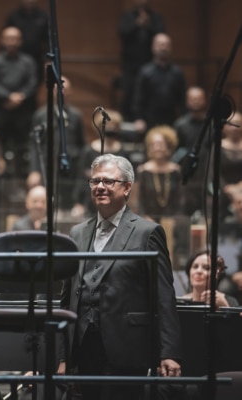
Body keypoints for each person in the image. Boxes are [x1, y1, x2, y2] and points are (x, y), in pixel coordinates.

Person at [59, 154, 182, 400]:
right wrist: (64, 356)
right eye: (95, 181)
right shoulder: (77, 232)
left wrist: (169, 352)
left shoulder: (147, 232)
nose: (100, 187)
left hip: (128, 345)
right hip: (84, 345)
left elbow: (164, 295)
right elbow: (68, 296)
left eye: (108, 181)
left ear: (127, 188)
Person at [27, 75, 85, 209]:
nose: (61, 91)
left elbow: (81, 145)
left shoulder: (76, 116)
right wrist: (34, 170)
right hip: (47, 167)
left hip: (69, 169)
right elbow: (34, 145)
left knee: (67, 204)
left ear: (70, 92)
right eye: (57, 88)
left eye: (64, 89)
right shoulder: (41, 115)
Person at [0, 26, 38, 177]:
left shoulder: (28, 61)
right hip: (2, 110)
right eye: (9, 38)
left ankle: (22, 179)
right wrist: (8, 97)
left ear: (20, 41)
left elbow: (33, 83)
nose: (12, 42)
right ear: (2, 41)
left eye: (15, 39)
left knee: (23, 147)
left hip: (23, 112)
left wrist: (20, 97)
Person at [72, 109, 129, 220]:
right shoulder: (88, 151)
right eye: (108, 125)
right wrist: (78, 203)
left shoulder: (123, 151)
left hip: (116, 200)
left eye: (114, 125)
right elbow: (81, 177)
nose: (111, 128)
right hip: (91, 200)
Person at [118, 0, 166, 121]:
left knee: (151, 96)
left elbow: (161, 35)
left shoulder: (155, 17)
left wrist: (148, 25)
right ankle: (128, 122)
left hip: (151, 66)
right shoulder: (127, 16)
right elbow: (122, 33)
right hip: (130, 66)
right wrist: (137, 24)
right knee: (129, 95)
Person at [132, 33, 186, 133]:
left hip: (172, 121)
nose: (164, 48)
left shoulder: (177, 73)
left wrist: (184, 120)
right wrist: (138, 118)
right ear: (153, 47)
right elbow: (138, 98)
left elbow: (183, 100)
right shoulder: (145, 72)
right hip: (149, 122)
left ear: (171, 48)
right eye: (161, 45)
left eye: (166, 45)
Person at [133, 125, 184, 221]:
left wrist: (175, 219)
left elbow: (180, 200)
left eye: (160, 144)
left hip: (171, 221)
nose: (156, 148)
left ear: (169, 146)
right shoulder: (143, 171)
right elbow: (139, 201)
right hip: (147, 222)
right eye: (153, 145)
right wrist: (145, 218)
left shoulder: (176, 171)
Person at [172, 86, 210, 217]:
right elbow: (177, 152)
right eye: (193, 99)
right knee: (185, 215)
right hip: (187, 178)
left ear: (204, 101)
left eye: (199, 99)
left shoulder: (212, 124)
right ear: (187, 101)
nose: (196, 101)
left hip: (208, 176)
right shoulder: (180, 124)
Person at [4, 0, 49, 84]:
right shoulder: (13, 16)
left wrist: (48, 60)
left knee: (34, 84)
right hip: (16, 58)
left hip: (37, 58)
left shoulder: (43, 16)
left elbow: (48, 40)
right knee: (14, 81)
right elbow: (5, 36)